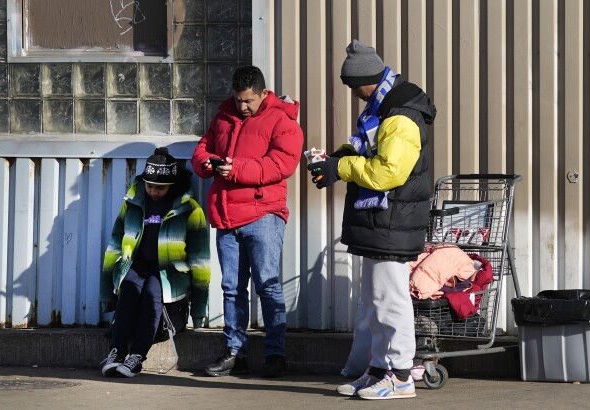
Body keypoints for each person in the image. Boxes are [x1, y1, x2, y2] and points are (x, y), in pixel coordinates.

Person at [309, 40, 436, 401]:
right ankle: (379, 370)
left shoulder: (401, 115)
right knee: (376, 298)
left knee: (391, 298)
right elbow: (368, 148)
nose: (355, 96)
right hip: (381, 220)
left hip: (393, 219)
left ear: (365, 80)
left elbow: (388, 173)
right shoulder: (386, 106)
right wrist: (336, 160)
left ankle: (400, 375)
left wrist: (341, 168)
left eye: (353, 88)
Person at [191, 65, 304, 378]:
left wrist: (236, 169)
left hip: (263, 215)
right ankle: (234, 353)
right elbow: (202, 149)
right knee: (231, 288)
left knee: (267, 286)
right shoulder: (223, 117)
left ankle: (275, 356)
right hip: (227, 217)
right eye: (239, 100)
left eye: (249, 101)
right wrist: (208, 164)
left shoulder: (283, 121)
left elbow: (282, 164)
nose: (243, 106)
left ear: (264, 94)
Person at [100, 147, 210, 378]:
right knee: (127, 294)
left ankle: (137, 357)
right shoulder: (133, 202)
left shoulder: (189, 209)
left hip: (166, 272)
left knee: (152, 299)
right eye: (149, 185)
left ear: (172, 185)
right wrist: (106, 295)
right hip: (136, 265)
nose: (153, 191)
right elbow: (115, 246)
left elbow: (201, 261)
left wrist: (199, 310)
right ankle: (116, 352)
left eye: (160, 187)